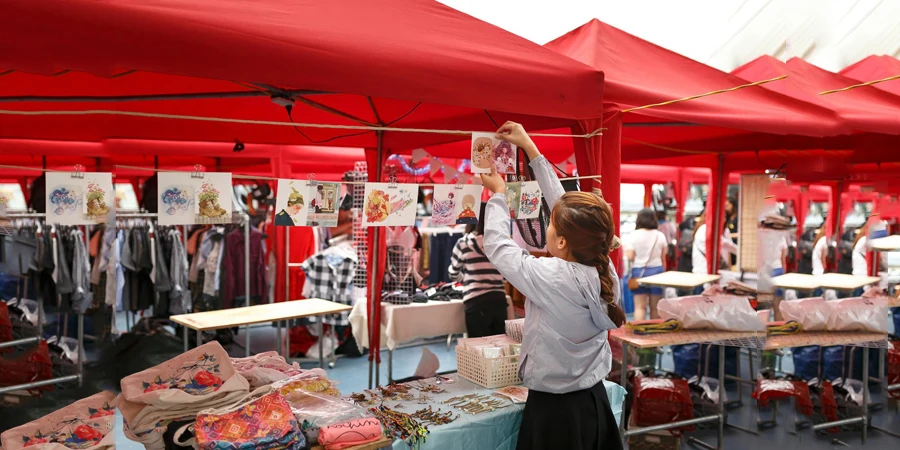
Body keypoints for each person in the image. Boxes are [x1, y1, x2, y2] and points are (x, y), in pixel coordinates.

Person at [480, 121, 624, 450]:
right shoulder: (603, 268)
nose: (547, 224)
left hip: (554, 413)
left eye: (552, 224)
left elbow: (499, 248)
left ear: (561, 241)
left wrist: (500, 197)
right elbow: (566, 209)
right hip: (593, 401)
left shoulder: (552, 276)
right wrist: (530, 149)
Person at [448, 204, 508, 337]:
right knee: (499, 350)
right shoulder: (500, 243)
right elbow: (505, 277)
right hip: (499, 300)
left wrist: (466, 278)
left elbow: (453, 274)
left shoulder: (463, 243)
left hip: (475, 302)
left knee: (478, 353)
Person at [625, 208, 667, 320]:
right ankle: (654, 333)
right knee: (655, 307)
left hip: (639, 272)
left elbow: (630, 257)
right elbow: (663, 258)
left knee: (640, 307)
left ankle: (640, 334)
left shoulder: (633, 235)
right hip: (657, 272)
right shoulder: (660, 235)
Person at [691, 210, 737, 275]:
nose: (723, 219)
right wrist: (741, 252)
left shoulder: (724, 230)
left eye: (724, 217)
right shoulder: (704, 229)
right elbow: (726, 244)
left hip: (718, 271)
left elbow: (727, 252)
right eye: (721, 217)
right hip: (703, 272)